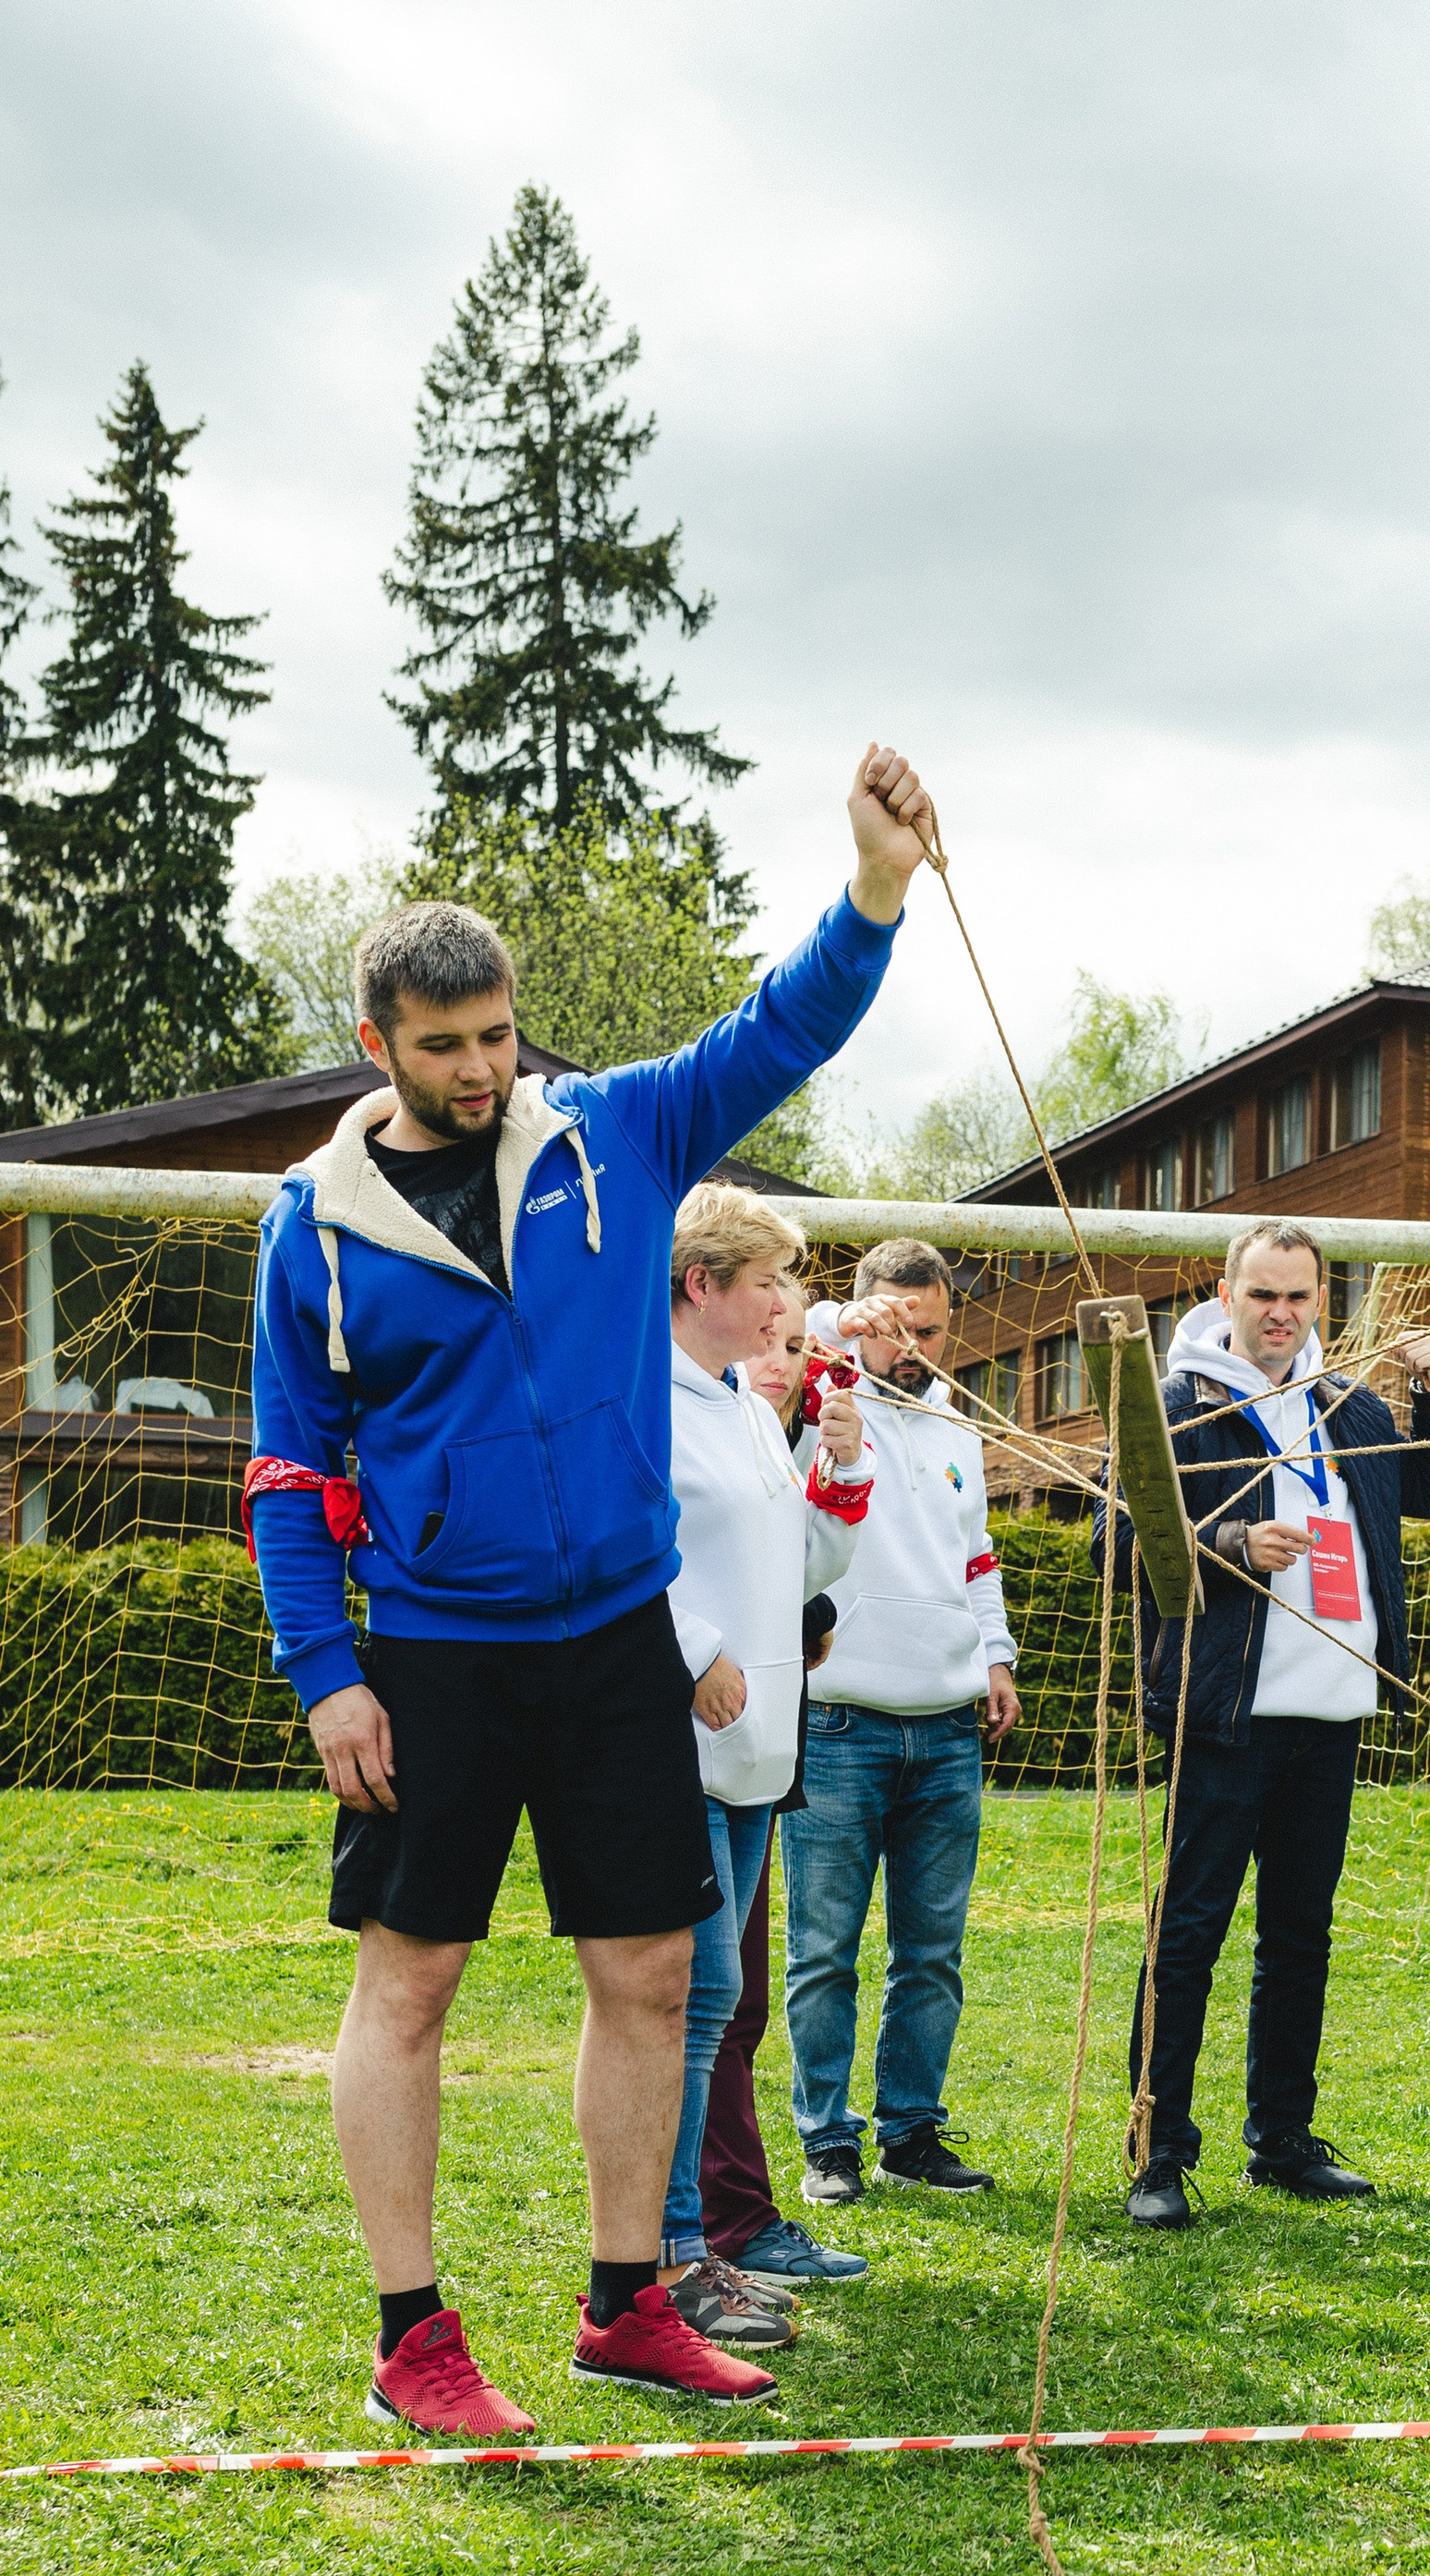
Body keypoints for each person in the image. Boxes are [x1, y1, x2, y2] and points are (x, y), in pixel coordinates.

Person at [247, 747, 937, 2439]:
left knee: (650, 1971)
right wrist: (329, 1672)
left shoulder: (616, 1136)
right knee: (409, 1984)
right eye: (445, 1048)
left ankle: (629, 2300)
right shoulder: (314, 1234)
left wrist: (873, 893)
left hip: (619, 1628)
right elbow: (284, 1472)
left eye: (497, 1036)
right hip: (432, 1651)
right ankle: (416, 2337)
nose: (482, 1070)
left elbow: (778, 1032)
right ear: (378, 1049)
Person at [1103, 1219, 1430, 2227]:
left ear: (1321, 1302)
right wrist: (1225, 1540)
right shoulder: (1173, 1404)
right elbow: (1112, 1537)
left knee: (1298, 1937)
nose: (1279, 1315)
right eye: (1262, 1295)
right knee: (1187, 1938)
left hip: (1331, 1711)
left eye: (1298, 1297)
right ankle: (1157, 2153)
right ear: (1226, 1297)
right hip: (1224, 1715)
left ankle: (1283, 2142)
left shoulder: (1344, 1406)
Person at [658, 1186, 876, 2352]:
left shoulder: (746, 1407)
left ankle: (695, 2246)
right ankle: (674, 2251)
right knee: (689, 2010)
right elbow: (617, 1550)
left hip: (756, 1750)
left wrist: (839, 1475)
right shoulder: (645, 1399)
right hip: (676, 1745)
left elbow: (800, 1564)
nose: (788, 1305)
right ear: (703, 1285)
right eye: (768, 1284)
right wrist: (694, 1653)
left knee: (716, 2003)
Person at [781, 1237, 1021, 2205]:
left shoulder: (958, 1428)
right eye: (894, 1325)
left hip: (948, 1724)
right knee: (823, 1950)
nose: (911, 1345)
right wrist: (842, 1330)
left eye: (928, 1329)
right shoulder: (819, 1404)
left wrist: (994, 1656)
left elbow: (976, 1558)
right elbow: (792, 1347)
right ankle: (827, 2140)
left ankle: (910, 2131)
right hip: (841, 1723)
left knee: (931, 1950)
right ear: (863, 1316)